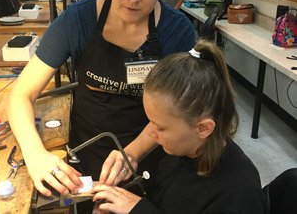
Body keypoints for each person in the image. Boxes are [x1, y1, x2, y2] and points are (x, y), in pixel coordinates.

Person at [7, 0, 196, 213]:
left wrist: (132, 153)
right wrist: (35, 154)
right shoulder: (78, 20)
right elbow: (20, 95)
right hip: (85, 155)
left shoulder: (178, 33)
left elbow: (181, 113)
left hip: (151, 153)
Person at [91, 39, 267, 214]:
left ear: (203, 128)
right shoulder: (181, 153)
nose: (151, 133)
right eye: (150, 122)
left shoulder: (237, 194)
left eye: (160, 128)